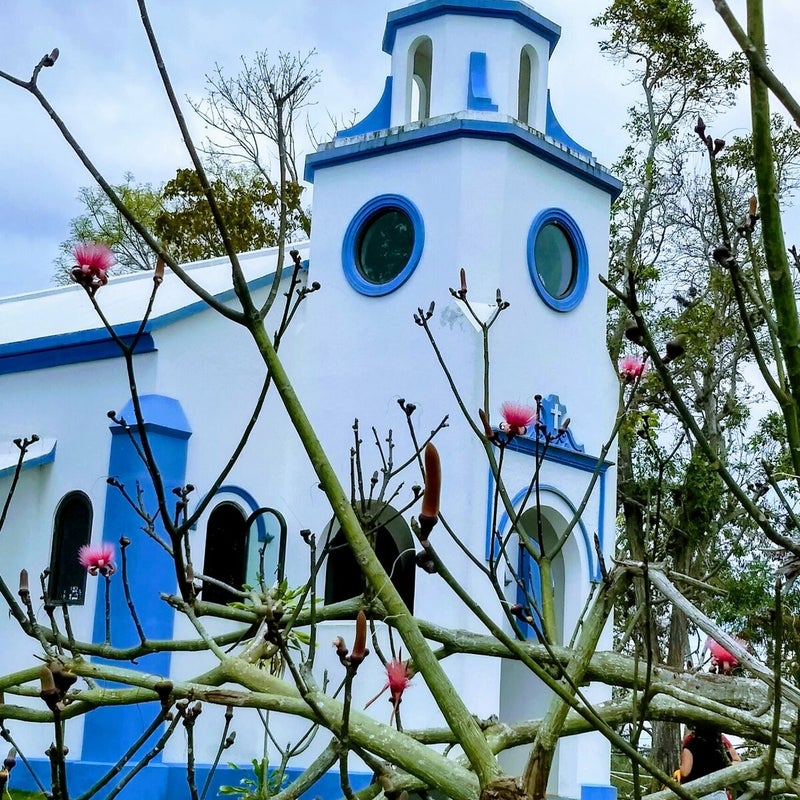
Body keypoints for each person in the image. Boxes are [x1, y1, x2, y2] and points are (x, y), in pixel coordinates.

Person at [680, 725, 741, 800]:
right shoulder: (722, 742)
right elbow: (737, 760)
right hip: (719, 792)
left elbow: (685, 772)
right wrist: (725, 771)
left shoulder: (691, 742)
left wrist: (679, 768)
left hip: (698, 792)